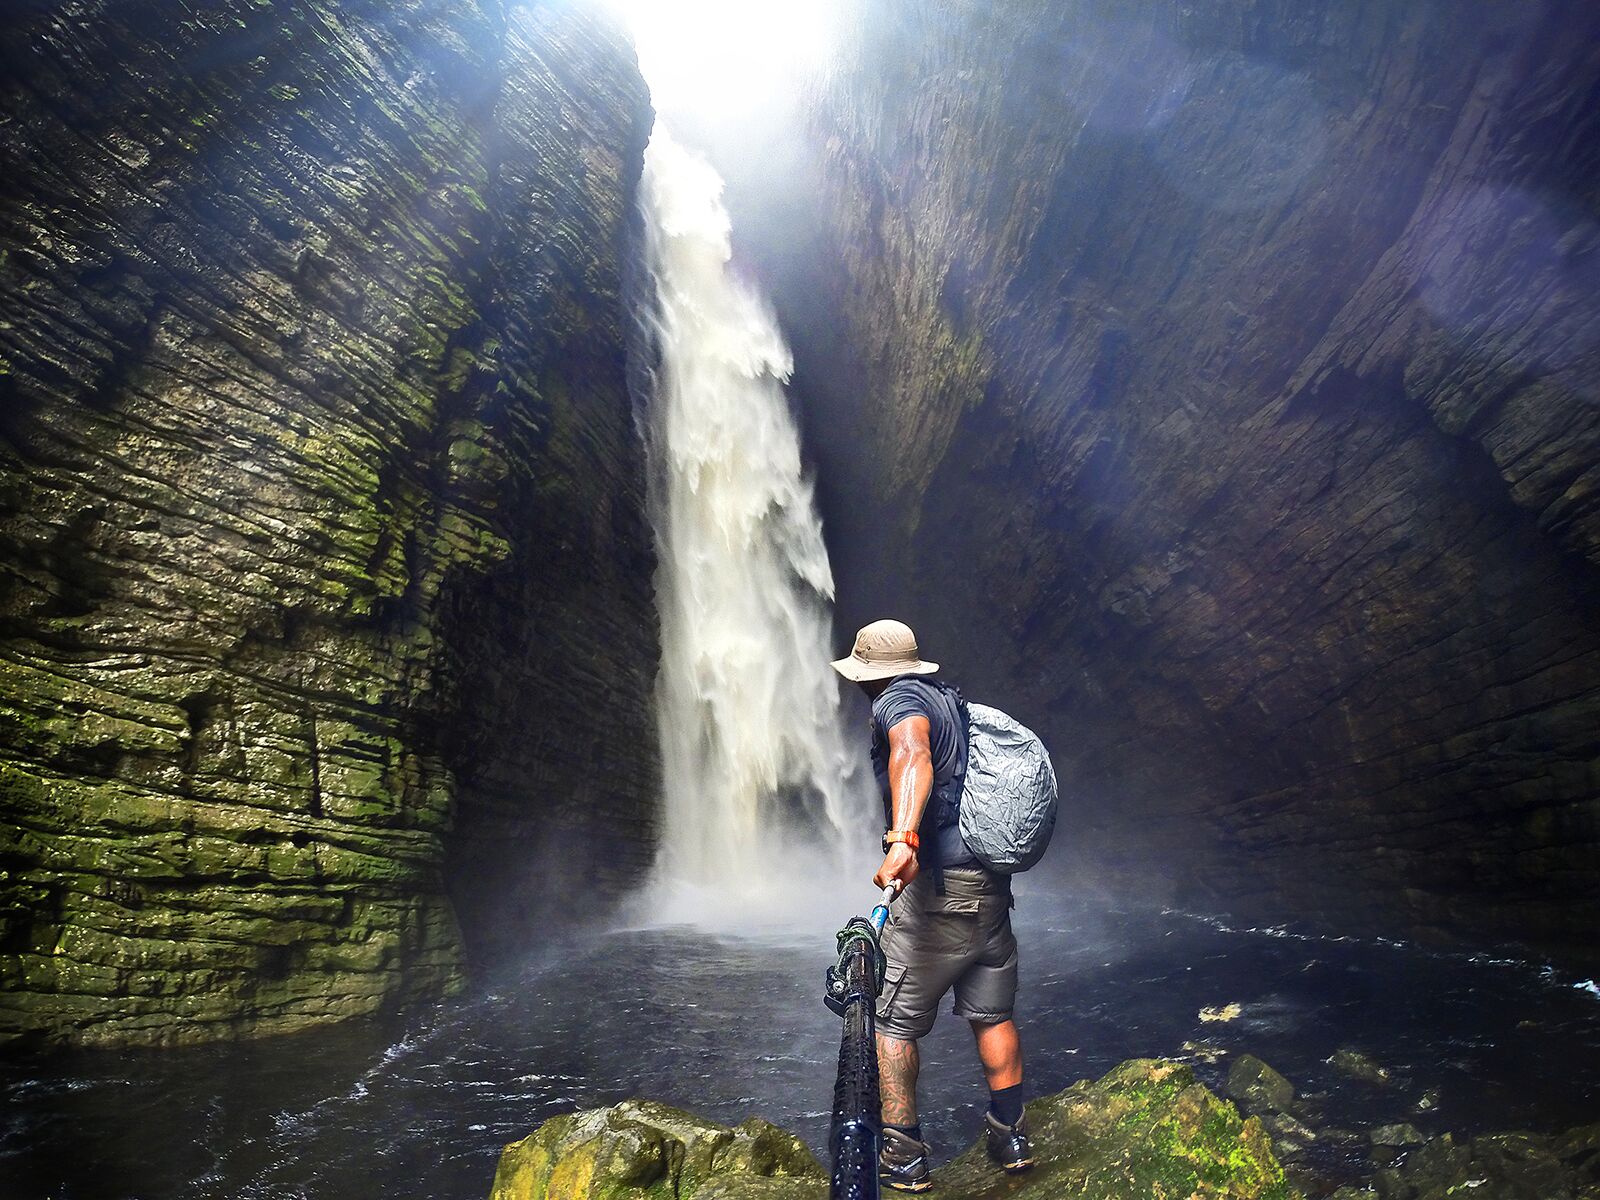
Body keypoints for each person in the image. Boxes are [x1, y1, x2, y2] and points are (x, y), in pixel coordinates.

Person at [830, 619, 1033, 1192]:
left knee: (889, 1023)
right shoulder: (949, 701)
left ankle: (904, 1156)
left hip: (938, 895)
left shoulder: (899, 702)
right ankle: (1010, 1134)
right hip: (989, 888)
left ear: (869, 674)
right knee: (993, 1013)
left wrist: (903, 840)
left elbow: (912, 755)